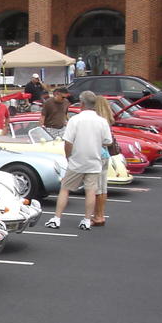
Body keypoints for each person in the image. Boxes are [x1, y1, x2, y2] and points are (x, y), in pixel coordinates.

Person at [44, 90, 112, 231]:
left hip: (77, 160)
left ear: (82, 104)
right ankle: (87, 219)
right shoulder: (101, 121)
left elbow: (68, 141)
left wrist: (69, 157)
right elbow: (107, 141)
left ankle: (57, 218)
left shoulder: (75, 120)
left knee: (65, 189)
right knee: (91, 191)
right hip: (94, 160)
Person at [92, 96, 116, 226]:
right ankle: (100, 214)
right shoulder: (107, 121)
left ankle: (98, 216)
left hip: (97, 155)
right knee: (102, 188)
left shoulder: (97, 121)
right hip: (105, 154)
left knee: (96, 188)